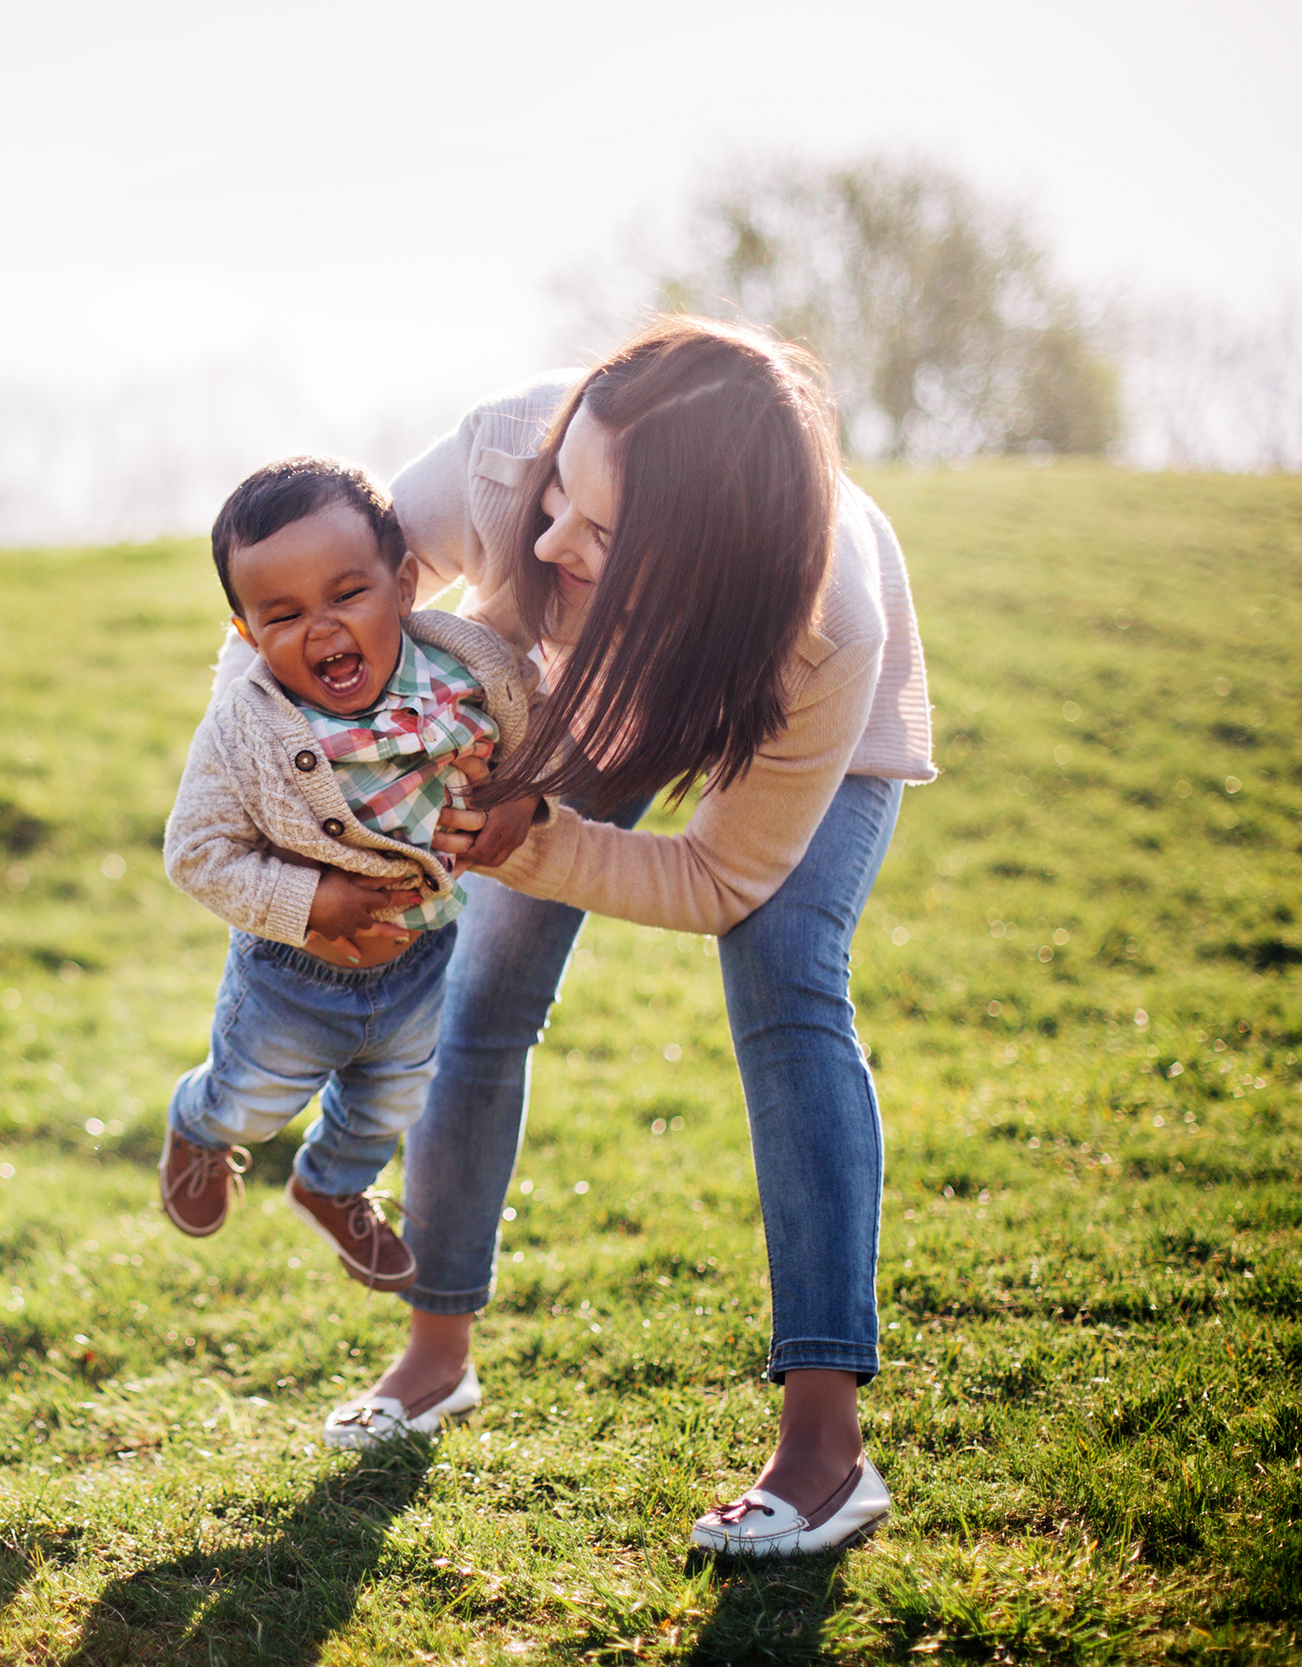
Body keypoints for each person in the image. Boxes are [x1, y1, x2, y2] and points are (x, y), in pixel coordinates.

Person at [288, 318, 934, 1556]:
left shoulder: (821, 624)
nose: (544, 539)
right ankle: (434, 1354)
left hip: (785, 716)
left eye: (597, 532)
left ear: (701, 554)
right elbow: (320, 605)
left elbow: (717, 878)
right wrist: (288, 760)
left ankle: (823, 1448)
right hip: (581, 693)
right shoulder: (501, 457)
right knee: (483, 993)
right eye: (558, 492)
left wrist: (524, 835)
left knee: (789, 986)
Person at [159, 456, 536, 1297]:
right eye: (284, 614)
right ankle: (198, 1125)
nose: (321, 628)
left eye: (346, 595)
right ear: (248, 633)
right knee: (249, 1100)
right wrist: (313, 901)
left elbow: (528, 726)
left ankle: (329, 1185)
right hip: (293, 977)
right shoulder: (245, 731)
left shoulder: (469, 667)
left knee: (384, 1108)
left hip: (421, 961)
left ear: (404, 583)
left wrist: (522, 795)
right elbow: (194, 852)